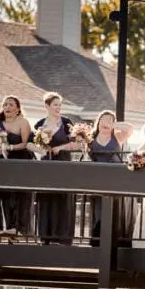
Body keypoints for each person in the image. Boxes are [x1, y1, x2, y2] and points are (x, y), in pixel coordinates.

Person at [33, 92, 79, 245]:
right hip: (46, 164)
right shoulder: (40, 124)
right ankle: (46, 235)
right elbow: (35, 145)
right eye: (55, 105)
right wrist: (41, 149)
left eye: (60, 105)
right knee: (47, 198)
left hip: (64, 164)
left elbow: (75, 143)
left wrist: (60, 147)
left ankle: (63, 236)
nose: (58, 108)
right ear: (47, 106)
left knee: (63, 198)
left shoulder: (66, 122)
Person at [89, 110, 134, 247]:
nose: (106, 123)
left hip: (115, 179)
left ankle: (114, 242)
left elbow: (130, 128)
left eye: (110, 120)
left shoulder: (117, 137)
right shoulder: (90, 139)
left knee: (114, 211)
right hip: (97, 179)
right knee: (99, 211)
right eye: (104, 119)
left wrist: (113, 124)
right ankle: (98, 241)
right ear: (99, 121)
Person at [0, 95, 35, 239]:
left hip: (22, 162)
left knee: (21, 196)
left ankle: (20, 228)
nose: (7, 107)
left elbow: (25, 143)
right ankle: (9, 227)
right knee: (6, 195)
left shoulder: (23, 122)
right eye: (5, 104)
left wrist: (10, 147)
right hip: (5, 164)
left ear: (18, 109)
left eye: (11, 105)